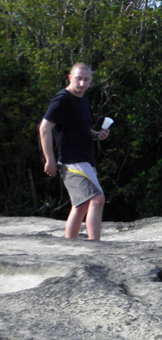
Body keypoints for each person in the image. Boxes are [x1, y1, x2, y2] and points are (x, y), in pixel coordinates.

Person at [38, 62, 110, 240]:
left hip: (85, 159)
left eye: (86, 80)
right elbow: (44, 128)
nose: (82, 84)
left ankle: (70, 245)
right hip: (71, 160)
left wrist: (97, 135)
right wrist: (50, 159)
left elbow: (81, 129)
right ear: (70, 78)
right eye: (78, 79)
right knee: (97, 199)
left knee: (81, 204)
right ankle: (95, 245)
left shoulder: (83, 100)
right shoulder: (63, 99)